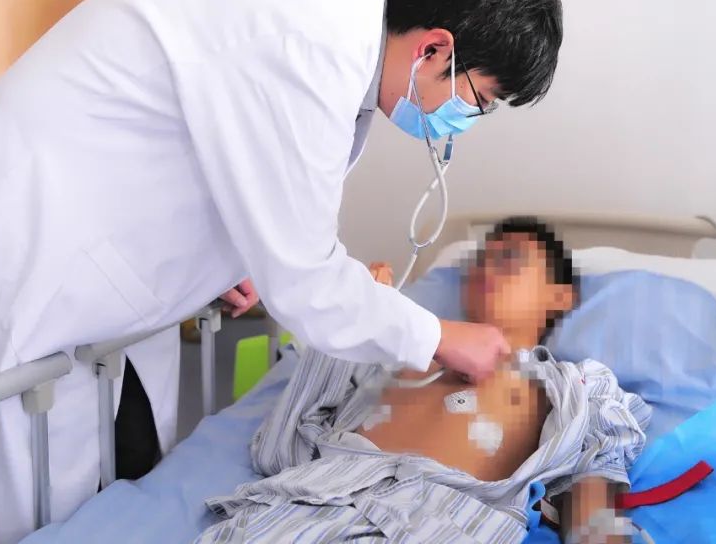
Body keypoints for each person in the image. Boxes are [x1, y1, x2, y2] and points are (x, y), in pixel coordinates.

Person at [0, 0, 562, 542]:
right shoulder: (309, 45)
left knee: (89, 460)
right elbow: (312, 285)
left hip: (94, 251)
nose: (467, 119)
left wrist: (236, 257)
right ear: (434, 49)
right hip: (28, 232)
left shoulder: (323, 36)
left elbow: (234, 171)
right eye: (479, 99)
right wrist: (438, 336)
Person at [197, 218, 649, 542]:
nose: (486, 270)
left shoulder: (576, 385)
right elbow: (279, 450)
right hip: (299, 513)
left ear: (561, 295)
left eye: (509, 259)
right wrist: (359, 314)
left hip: (433, 522)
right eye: (480, 263)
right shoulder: (391, 349)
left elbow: (595, 487)